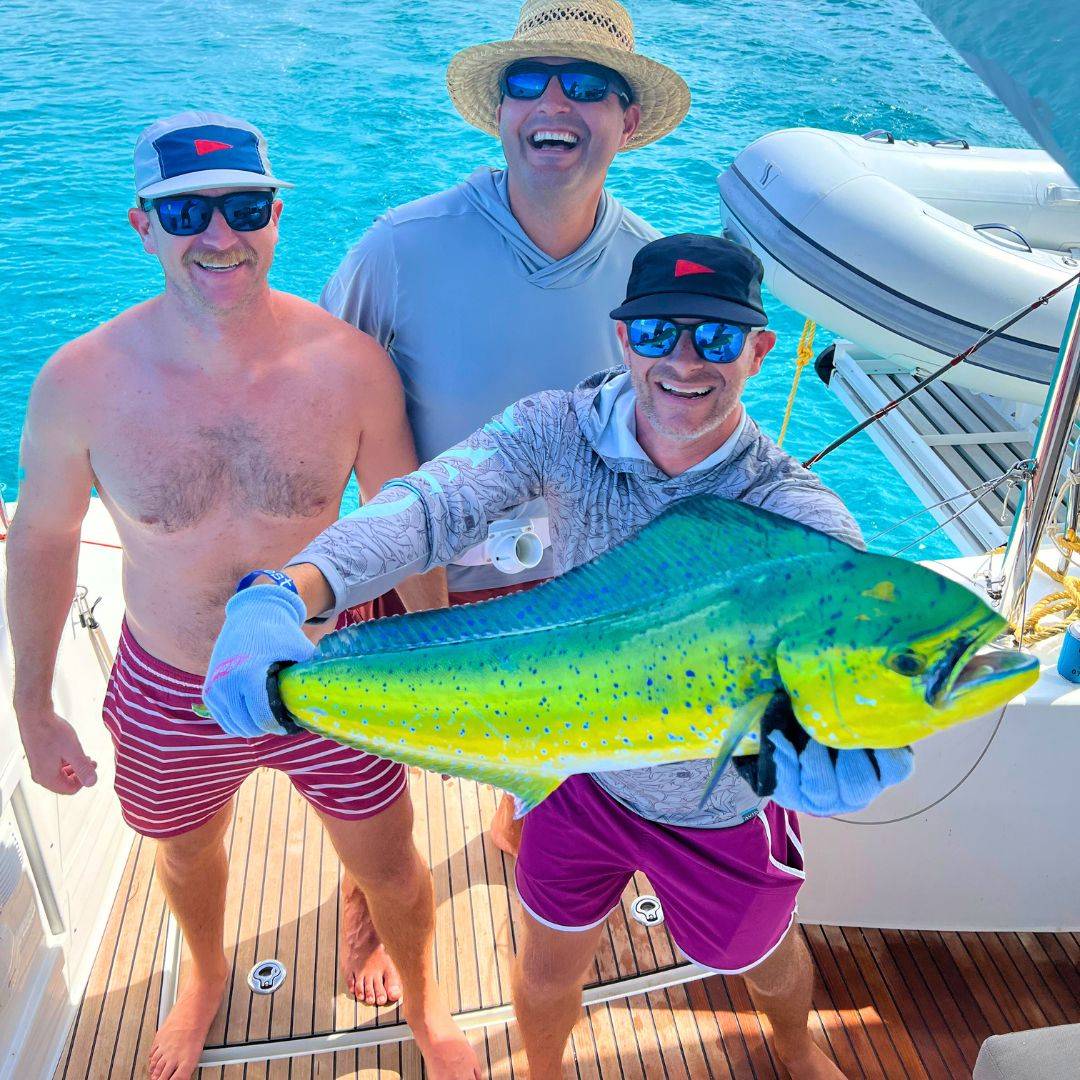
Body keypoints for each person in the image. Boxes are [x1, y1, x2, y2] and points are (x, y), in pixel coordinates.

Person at [203, 234, 915, 1079]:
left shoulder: (800, 518)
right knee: (547, 964)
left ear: (758, 350)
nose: (685, 361)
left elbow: (857, 653)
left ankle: (796, 1051)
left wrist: (856, 739)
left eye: (716, 338)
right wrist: (287, 589)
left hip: (723, 803)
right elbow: (431, 505)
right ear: (622, 338)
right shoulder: (557, 425)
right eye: (658, 333)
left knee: (762, 963)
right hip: (575, 775)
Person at [6, 112, 478, 1080]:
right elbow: (45, 540)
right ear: (144, 225)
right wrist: (32, 703)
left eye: (244, 207)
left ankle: (427, 1008)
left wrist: (436, 668)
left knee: (388, 861)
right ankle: (204, 977)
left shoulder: (348, 366)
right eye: (187, 212)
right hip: (169, 681)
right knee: (184, 855)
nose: (218, 237)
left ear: (275, 215)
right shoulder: (81, 382)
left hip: (331, 671)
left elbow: (409, 522)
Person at [321, 0, 691, 859]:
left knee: (543, 751)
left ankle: (515, 814)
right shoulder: (400, 247)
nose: (555, 104)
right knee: (380, 765)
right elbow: (324, 409)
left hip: (565, 583)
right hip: (416, 566)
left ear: (627, 121)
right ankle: (366, 893)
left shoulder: (650, 273)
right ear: (501, 111)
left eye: (589, 87)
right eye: (530, 82)